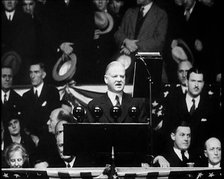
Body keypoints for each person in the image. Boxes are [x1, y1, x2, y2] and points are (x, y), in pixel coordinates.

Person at [162, 67, 217, 155]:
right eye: (193, 81)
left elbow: (214, 136)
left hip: (201, 158)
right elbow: (165, 132)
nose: (196, 85)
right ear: (187, 82)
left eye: (199, 82)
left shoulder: (211, 106)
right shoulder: (173, 103)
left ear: (203, 83)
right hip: (176, 158)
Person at [114, 0, 168, 83]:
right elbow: (118, 33)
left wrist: (132, 45)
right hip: (127, 68)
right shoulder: (129, 12)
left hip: (149, 67)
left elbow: (159, 42)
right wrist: (125, 41)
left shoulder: (161, 15)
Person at [1, 0, 37, 85]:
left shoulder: (26, 18)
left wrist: (16, 58)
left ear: (17, 1)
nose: (9, 1)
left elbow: (31, 44)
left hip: (23, 68)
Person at [22, 62, 60, 138]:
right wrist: (31, 136)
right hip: (31, 140)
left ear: (43, 75)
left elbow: (55, 119)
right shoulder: (26, 96)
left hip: (48, 138)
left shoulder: (52, 92)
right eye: (31, 72)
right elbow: (25, 122)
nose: (32, 76)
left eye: (36, 72)